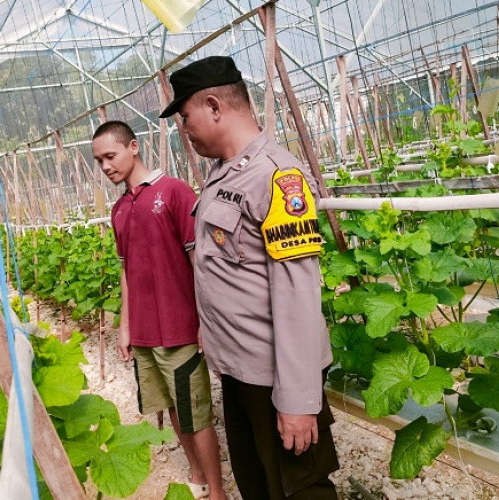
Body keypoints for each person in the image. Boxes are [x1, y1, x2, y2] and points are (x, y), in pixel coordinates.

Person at [160, 56, 339, 499]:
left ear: (215, 106)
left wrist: (298, 402)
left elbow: (297, 297)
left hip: (274, 375)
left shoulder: (277, 177)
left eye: (186, 118)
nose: (185, 130)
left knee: (299, 487)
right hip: (239, 370)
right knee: (257, 482)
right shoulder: (223, 174)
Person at [92, 121, 226, 500]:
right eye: (99, 160)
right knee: (169, 409)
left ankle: (218, 492)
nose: (105, 166)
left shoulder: (174, 192)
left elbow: (200, 260)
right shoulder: (119, 209)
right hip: (145, 334)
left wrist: (205, 320)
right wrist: (124, 327)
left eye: (110, 155)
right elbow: (127, 271)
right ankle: (197, 478)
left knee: (195, 414)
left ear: (133, 147)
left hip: (181, 328)